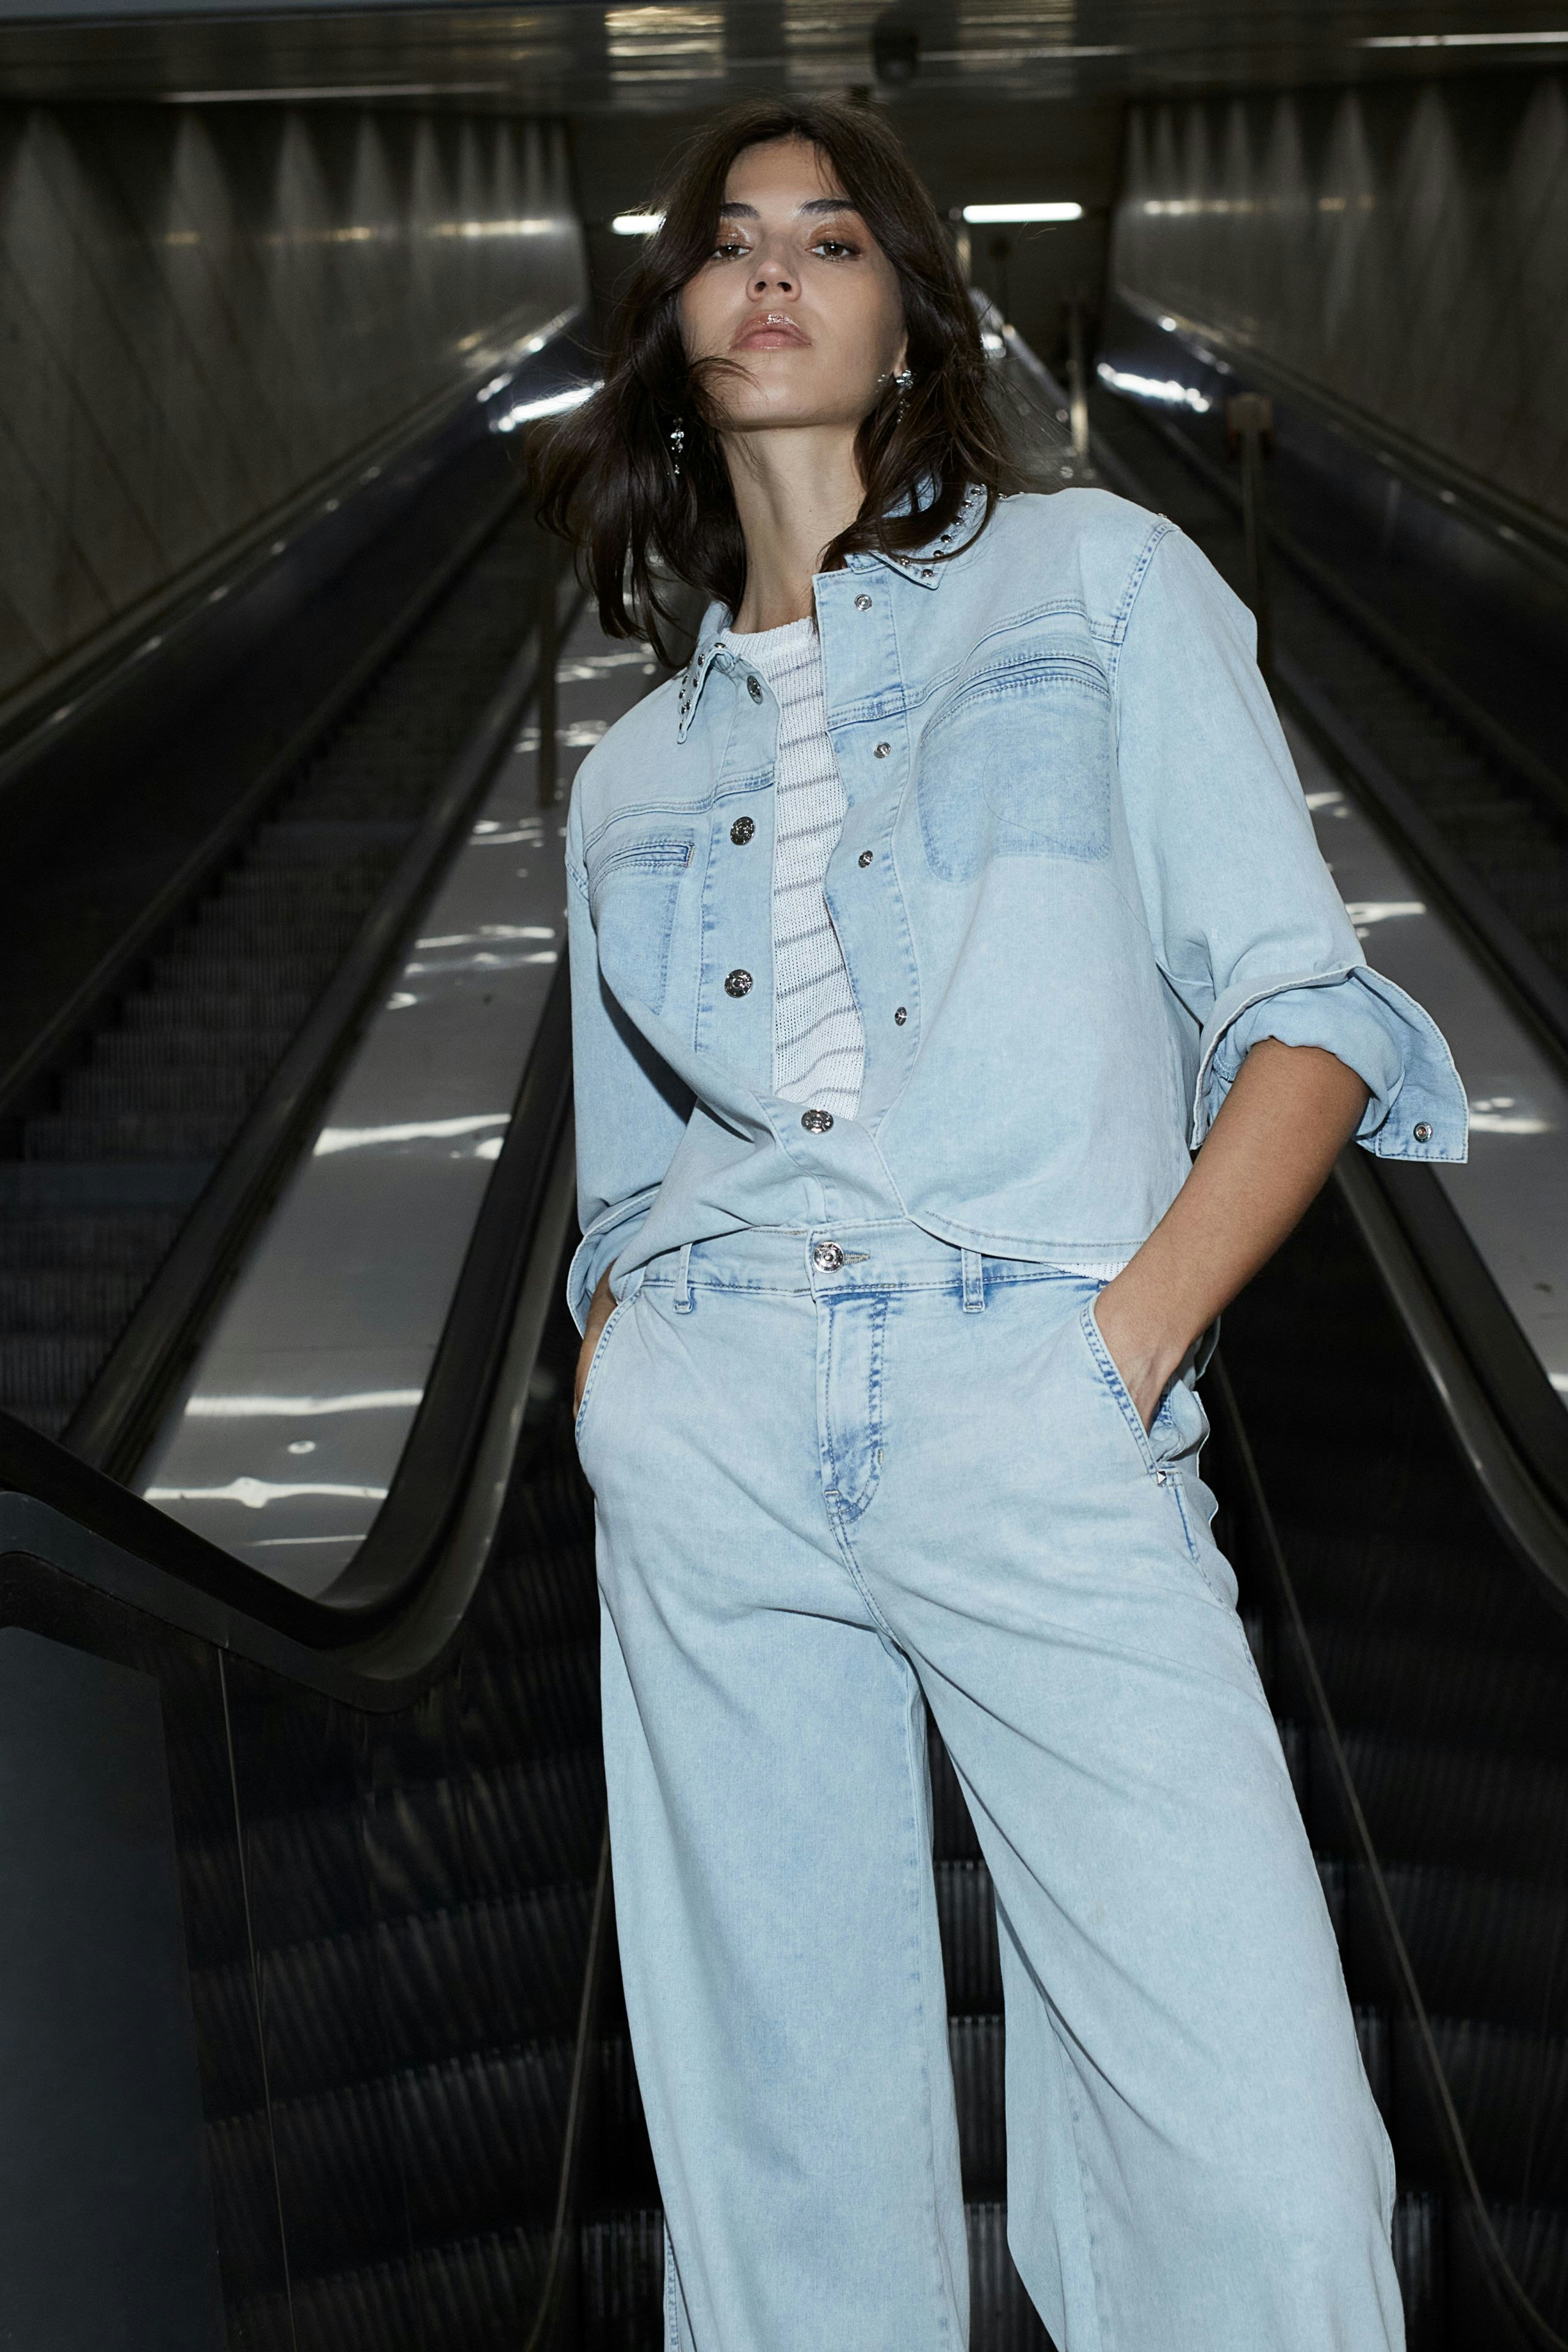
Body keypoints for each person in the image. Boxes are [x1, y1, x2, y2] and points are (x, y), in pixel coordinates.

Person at [537, 96, 1464, 2352]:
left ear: (906, 313)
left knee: (1259, 2175)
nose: (772, 272)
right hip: (718, 1424)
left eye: (831, 240)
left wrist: (1117, 1350)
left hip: (1031, 1386)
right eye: (729, 242)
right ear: (671, 328)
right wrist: (630, 1395)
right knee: (776, 2195)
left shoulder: (1099, 584)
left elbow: (1310, 1025)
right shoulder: (627, 775)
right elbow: (619, 1188)